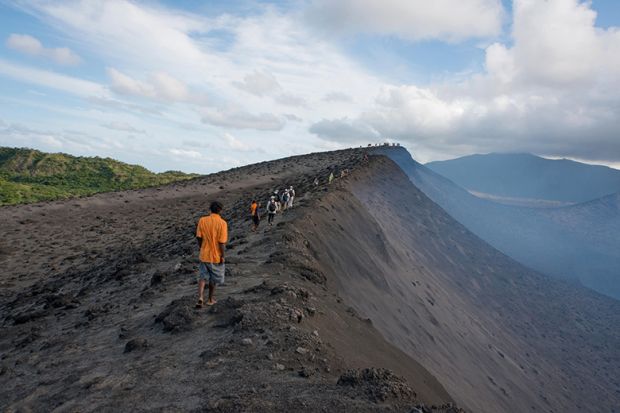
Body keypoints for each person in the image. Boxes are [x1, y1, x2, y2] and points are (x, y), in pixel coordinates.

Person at [195, 201, 228, 307]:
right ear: (220, 210)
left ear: (210, 209)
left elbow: (199, 237)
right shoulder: (222, 223)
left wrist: (201, 247)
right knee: (213, 279)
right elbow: (221, 242)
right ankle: (210, 299)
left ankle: (200, 297)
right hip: (215, 255)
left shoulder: (202, 220)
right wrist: (222, 256)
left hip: (204, 253)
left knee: (202, 276)